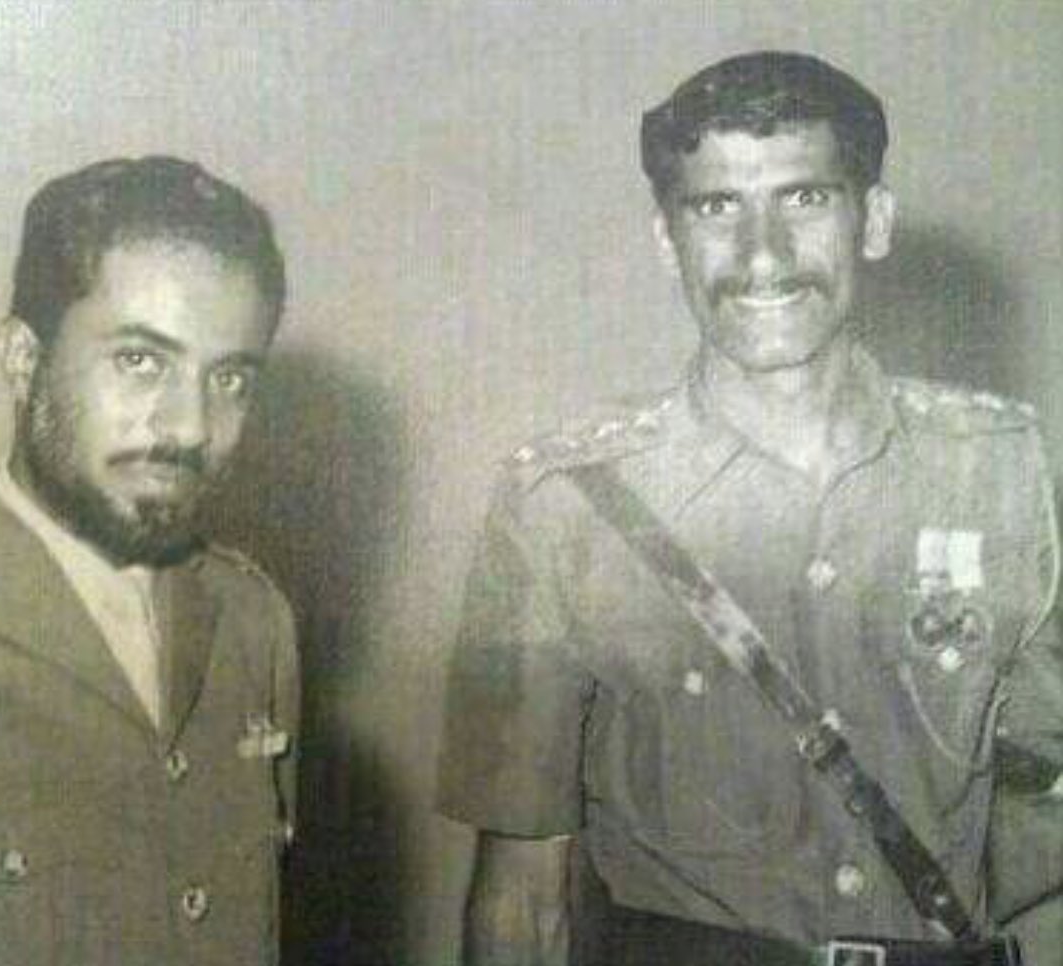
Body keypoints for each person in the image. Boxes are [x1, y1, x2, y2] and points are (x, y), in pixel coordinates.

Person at [437, 52, 1062, 965]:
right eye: (715, 207)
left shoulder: (1009, 475)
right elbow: (522, 902)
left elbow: (1041, 810)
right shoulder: (563, 507)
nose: (761, 254)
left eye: (803, 199)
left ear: (873, 221)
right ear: (667, 241)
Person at [0, 156, 299, 965]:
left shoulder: (253, 621)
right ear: (22, 358)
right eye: (141, 361)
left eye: (229, 378)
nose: (191, 427)